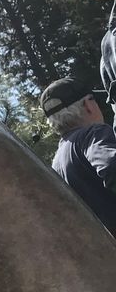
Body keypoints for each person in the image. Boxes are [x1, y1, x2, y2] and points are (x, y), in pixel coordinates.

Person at [40, 76, 116, 233]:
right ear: (88, 105)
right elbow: (112, 166)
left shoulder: (56, 163)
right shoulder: (93, 134)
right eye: (93, 99)